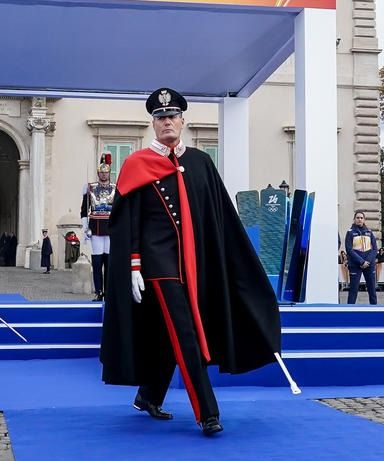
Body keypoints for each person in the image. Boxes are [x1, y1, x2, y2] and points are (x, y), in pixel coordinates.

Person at [101, 87, 281, 437]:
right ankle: (207, 413)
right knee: (185, 333)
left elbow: (218, 216)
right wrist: (133, 265)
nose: (166, 122)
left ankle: (148, 395)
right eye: (160, 118)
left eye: (172, 116)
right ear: (153, 124)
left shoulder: (200, 162)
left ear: (183, 121)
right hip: (158, 266)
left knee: (167, 332)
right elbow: (128, 221)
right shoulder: (136, 164)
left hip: (195, 265)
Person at [82, 153, 116, 300]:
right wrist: (85, 228)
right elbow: (84, 210)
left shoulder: (115, 188)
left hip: (110, 228)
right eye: (101, 172)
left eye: (106, 172)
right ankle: (98, 291)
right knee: (97, 262)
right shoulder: (90, 188)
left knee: (109, 263)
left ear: (109, 173)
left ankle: (108, 292)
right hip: (95, 228)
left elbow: (118, 210)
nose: (103, 174)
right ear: (98, 173)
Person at [344, 212, 378, 304]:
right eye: (358, 217)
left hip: (369, 264)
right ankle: (350, 309)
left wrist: (368, 261)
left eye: (361, 218)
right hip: (355, 265)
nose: (359, 219)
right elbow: (349, 249)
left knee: (372, 289)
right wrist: (361, 261)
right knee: (353, 289)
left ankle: (374, 309)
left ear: (364, 220)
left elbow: (375, 249)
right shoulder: (350, 232)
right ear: (354, 219)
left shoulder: (369, 232)